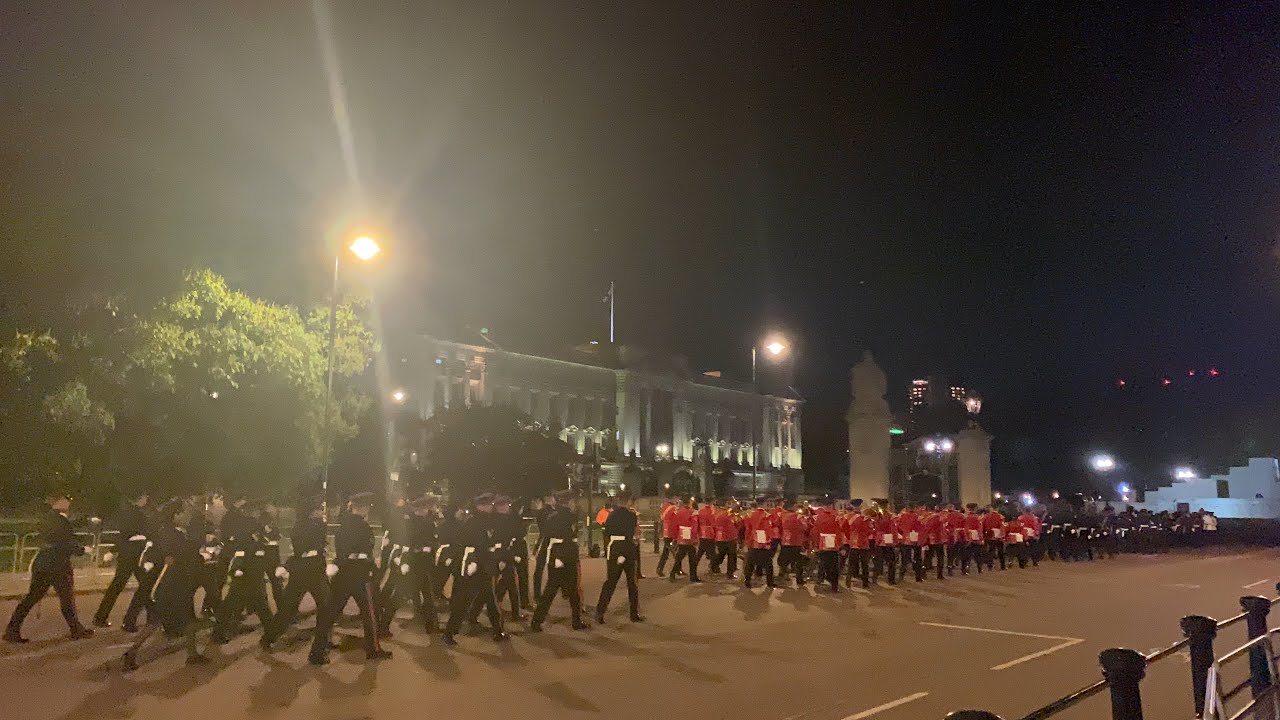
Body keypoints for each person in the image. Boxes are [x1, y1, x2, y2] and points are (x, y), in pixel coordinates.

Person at [121, 499, 208, 671]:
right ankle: (131, 652)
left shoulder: (172, 532)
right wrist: (200, 556)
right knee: (155, 622)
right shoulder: (170, 534)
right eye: (185, 513)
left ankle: (192, 654)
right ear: (176, 515)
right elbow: (178, 554)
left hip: (177, 583)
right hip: (172, 585)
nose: (187, 516)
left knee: (185, 620)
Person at [309, 492, 391, 665]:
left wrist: (337, 564)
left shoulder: (343, 526)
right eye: (365, 506)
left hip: (344, 574)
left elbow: (341, 550)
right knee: (370, 614)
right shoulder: (362, 527)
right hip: (360, 574)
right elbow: (364, 551)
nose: (367, 509)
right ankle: (373, 649)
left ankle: (316, 652)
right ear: (359, 508)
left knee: (329, 614)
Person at [5, 494, 94, 643]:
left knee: (31, 598)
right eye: (66, 500)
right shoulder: (60, 521)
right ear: (60, 502)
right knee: (67, 599)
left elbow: (61, 531)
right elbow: (65, 543)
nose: (69, 502)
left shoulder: (48, 518)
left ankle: (12, 630)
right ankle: (76, 630)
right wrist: (83, 549)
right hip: (58, 565)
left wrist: (84, 521)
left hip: (43, 563)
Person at [261, 496, 330, 649]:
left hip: (313, 568)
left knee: (324, 606)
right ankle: (269, 636)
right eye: (319, 509)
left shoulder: (316, 524)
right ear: (312, 511)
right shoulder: (303, 526)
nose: (322, 511)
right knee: (289, 607)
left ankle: (322, 644)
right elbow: (301, 549)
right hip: (306, 568)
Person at [443, 494, 509, 645]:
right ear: (481, 506)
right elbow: (470, 544)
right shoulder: (473, 522)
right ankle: (449, 632)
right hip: (474, 566)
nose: (491, 507)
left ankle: (498, 631)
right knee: (464, 601)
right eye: (488, 505)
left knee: (490, 601)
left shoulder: (486, 521)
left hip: (484, 567)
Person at [213, 496, 273, 643]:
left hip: (246, 568)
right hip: (249, 568)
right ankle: (271, 634)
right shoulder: (250, 524)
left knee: (236, 602)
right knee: (255, 603)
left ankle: (221, 632)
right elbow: (251, 545)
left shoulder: (247, 524)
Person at [530, 490, 588, 633]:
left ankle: (537, 621)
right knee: (569, 590)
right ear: (568, 502)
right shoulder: (569, 516)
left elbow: (547, 534)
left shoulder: (553, 517)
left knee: (552, 590)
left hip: (557, 556)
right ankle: (576, 621)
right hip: (565, 556)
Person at [93, 491, 152, 628]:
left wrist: (113, 550)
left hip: (127, 553)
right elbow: (143, 534)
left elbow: (122, 536)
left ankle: (100, 616)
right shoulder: (140, 515)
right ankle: (145, 617)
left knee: (118, 586)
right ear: (141, 499)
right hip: (137, 554)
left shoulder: (126, 513)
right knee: (145, 585)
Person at [595, 491, 644, 624]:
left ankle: (600, 611)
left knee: (610, 582)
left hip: (614, 548)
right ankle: (634, 614)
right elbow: (633, 532)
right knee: (632, 584)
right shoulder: (631, 516)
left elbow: (607, 532)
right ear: (628, 501)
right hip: (628, 548)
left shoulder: (611, 515)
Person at [742, 499, 778, 589]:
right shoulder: (767, 515)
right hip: (764, 541)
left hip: (753, 541)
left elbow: (747, 530)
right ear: (764, 504)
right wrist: (769, 540)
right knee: (768, 564)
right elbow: (769, 529)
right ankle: (770, 582)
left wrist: (747, 541)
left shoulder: (749, 515)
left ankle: (747, 581)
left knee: (750, 563)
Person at [809, 500, 843, 592]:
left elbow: (814, 532)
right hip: (833, 544)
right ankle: (834, 585)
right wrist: (840, 544)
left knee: (823, 563)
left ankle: (822, 579)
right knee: (834, 565)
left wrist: (815, 544)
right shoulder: (836, 517)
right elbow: (839, 531)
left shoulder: (817, 518)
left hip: (822, 543)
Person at [667, 498, 700, 583]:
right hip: (689, 535)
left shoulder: (679, 512)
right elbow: (694, 527)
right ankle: (693, 576)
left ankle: (672, 573)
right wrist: (695, 538)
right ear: (690, 503)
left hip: (681, 536)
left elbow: (675, 525)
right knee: (692, 558)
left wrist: (675, 537)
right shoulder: (692, 513)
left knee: (679, 557)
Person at [777, 501, 808, 586]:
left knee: (784, 560)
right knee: (799, 561)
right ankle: (799, 579)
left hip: (786, 541)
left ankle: (782, 575)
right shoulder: (799, 517)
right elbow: (805, 527)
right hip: (797, 542)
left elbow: (778, 526)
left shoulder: (783, 516)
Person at [844, 505, 873, 588]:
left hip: (854, 544)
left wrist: (850, 538)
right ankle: (865, 583)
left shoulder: (853, 519)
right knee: (865, 565)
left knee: (851, 564)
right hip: (863, 545)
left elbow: (846, 528)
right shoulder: (867, 521)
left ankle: (848, 580)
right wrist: (871, 530)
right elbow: (868, 532)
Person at [712, 501, 741, 579]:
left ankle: (714, 565)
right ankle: (730, 573)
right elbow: (737, 523)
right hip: (730, 537)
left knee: (721, 554)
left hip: (720, 537)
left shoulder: (716, 514)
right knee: (731, 556)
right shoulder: (729, 515)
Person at [655, 498, 679, 577]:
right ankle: (676, 569)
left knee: (666, 552)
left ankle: (660, 568)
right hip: (672, 533)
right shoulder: (674, 508)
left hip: (666, 532)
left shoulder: (664, 507)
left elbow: (661, 519)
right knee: (676, 552)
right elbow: (676, 521)